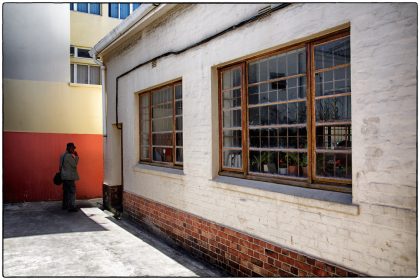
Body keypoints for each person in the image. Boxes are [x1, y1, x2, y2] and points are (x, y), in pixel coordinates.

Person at [60, 143, 79, 212]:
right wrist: (76, 156)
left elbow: (60, 167)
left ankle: (65, 205)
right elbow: (74, 164)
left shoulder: (62, 155)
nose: (74, 149)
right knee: (72, 192)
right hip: (69, 177)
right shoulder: (69, 156)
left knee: (66, 192)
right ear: (69, 148)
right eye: (73, 148)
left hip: (64, 176)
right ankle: (72, 207)